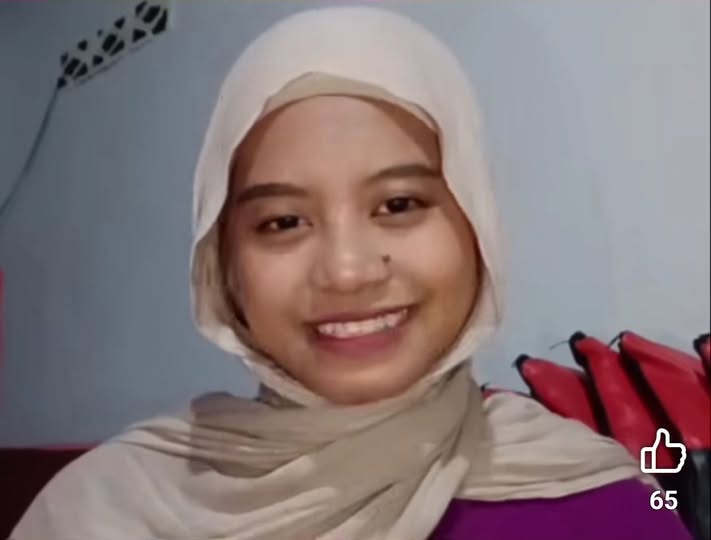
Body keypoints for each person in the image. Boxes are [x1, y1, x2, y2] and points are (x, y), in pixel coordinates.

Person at [12, 6, 692, 540]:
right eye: (283, 221)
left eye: (398, 205)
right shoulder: (99, 514)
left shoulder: (606, 510)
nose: (346, 271)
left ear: (477, 227)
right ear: (223, 266)